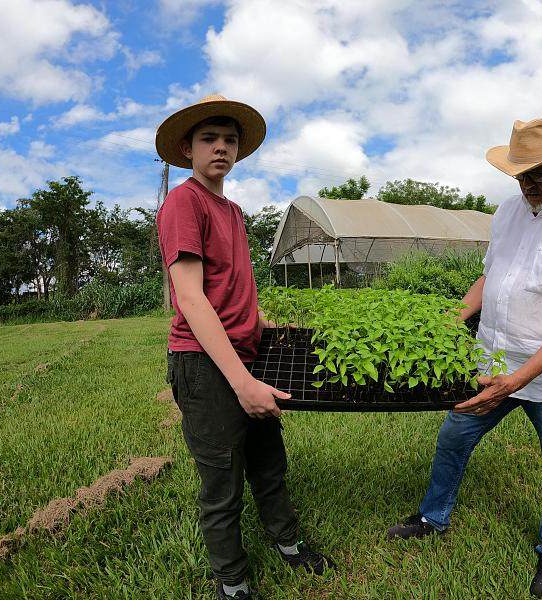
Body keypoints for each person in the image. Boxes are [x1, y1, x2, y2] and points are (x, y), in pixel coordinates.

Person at [387, 118, 542, 597]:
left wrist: (519, 380)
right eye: (520, 175)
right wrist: (450, 321)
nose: (528, 185)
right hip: (491, 363)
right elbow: (489, 278)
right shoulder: (508, 212)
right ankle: (433, 518)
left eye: (538, 174)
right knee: (454, 436)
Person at [156, 94, 334, 600]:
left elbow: (230, 288)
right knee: (222, 483)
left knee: (269, 463)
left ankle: (288, 543)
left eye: (229, 140)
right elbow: (190, 298)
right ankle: (232, 581)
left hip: (247, 355)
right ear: (188, 149)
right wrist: (243, 383)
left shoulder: (231, 209)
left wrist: (266, 326)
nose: (221, 148)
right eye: (209, 139)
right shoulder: (183, 203)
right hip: (206, 364)